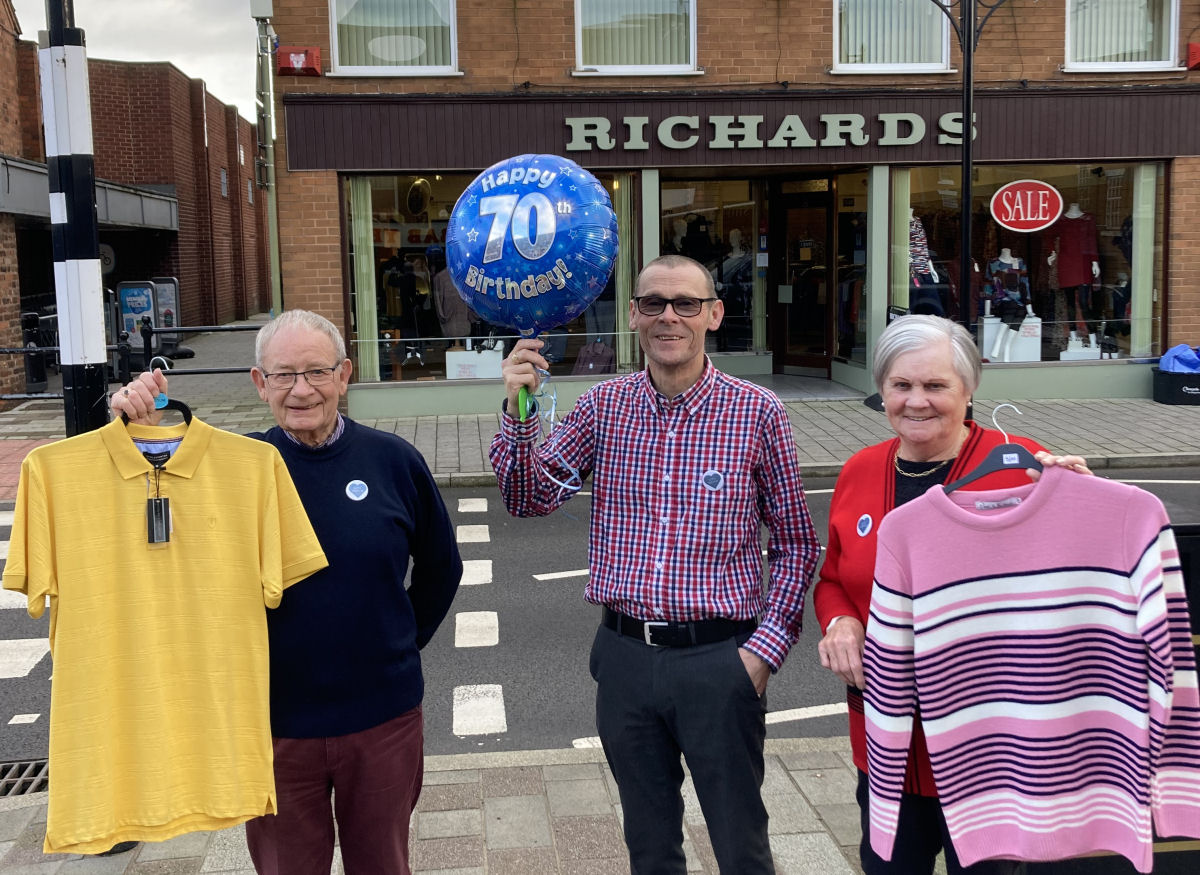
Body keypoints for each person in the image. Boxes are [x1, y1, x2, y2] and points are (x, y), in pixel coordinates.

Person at [491, 254, 820, 873]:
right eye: (653, 303)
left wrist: (764, 650)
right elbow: (527, 497)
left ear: (714, 315)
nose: (669, 316)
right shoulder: (603, 407)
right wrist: (519, 409)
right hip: (625, 661)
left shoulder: (757, 412)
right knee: (648, 846)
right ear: (634, 315)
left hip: (720, 661)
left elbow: (798, 542)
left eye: (686, 304)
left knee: (740, 843)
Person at [111, 309, 462, 875]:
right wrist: (136, 427)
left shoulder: (394, 461)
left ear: (344, 375)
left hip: (382, 719)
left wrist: (394, 644)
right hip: (271, 725)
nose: (302, 390)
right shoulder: (228, 469)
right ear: (259, 383)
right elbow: (148, 543)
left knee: (384, 864)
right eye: (283, 375)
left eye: (317, 372)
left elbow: (442, 569)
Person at [812, 314, 1091, 875]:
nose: (917, 401)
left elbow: (1078, 585)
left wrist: (1078, 504)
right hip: (886, 744)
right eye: (901, 385)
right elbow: (835, 578)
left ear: (969, 390)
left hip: (991, 752)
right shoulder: (860, 471)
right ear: (882, 390)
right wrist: (839, 620)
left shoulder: (1024, 471)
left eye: (936, 386)